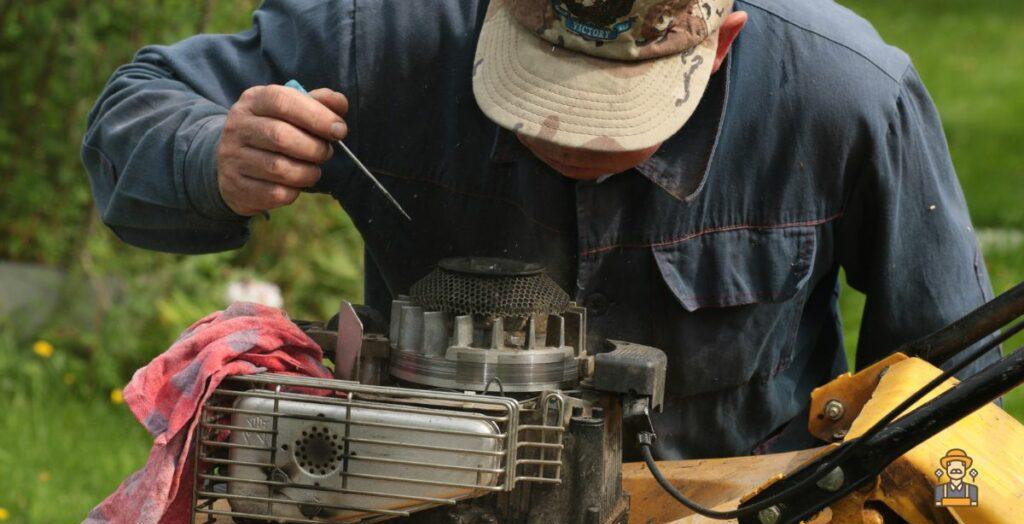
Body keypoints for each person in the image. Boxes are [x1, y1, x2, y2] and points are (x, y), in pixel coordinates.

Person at [82, 0, 998, 459]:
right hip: (430, 497)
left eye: (615, 110)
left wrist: (935, 501)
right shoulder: (382, 34)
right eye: (540, 87)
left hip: (738, 509)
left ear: (719, 43)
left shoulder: (848, 96)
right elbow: (132, 113)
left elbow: (956, 391)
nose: (570, 133)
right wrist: (214, 153)